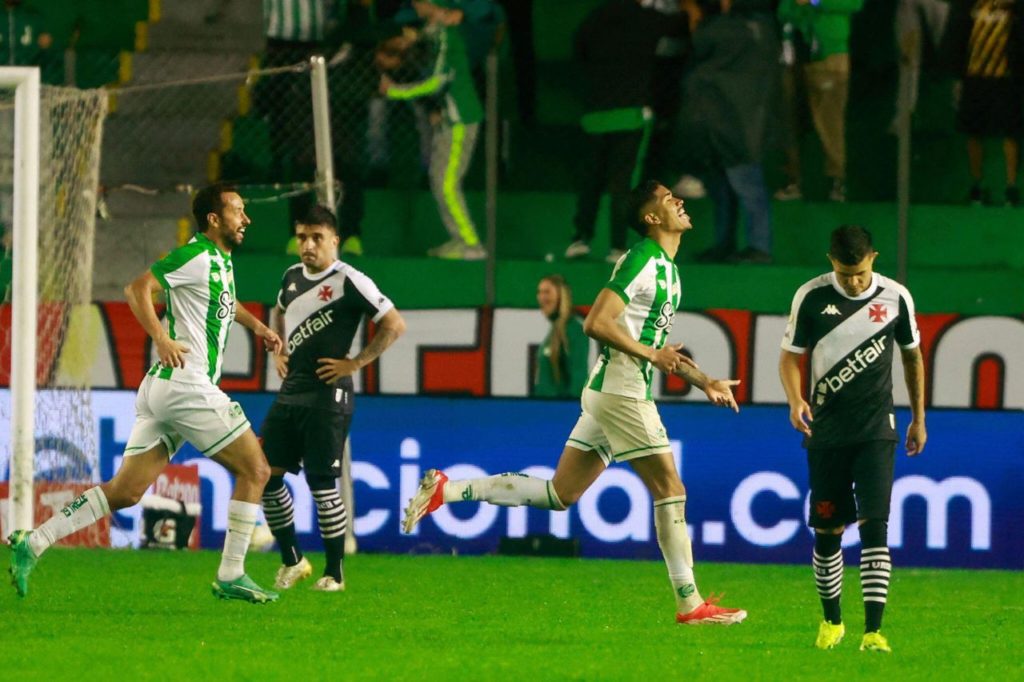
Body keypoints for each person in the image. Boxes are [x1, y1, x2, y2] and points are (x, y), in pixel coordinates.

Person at [403, 180, 747, 625]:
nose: (679, 201)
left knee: (559, 493)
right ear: (651, 218)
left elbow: (653, 348)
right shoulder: (643, 258)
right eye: (668, 199)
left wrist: (703, 380)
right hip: (623, 392)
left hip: (612, 390)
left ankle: (446, 490)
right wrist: (650, 354)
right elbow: (597, 323)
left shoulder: (668, 267)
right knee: (671, 490)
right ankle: (690, 603)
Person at [8, 184, 285, 603]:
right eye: (238, 211)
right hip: (186, 382)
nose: (245, 219)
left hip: (161, 389)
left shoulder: (220, 262)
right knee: (257, 471)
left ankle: (36, 541)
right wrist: (160, 336)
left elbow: (224, 303)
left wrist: (259, 327)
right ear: (214, 219)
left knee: (125, 491)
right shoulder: (193, 256)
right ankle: (231, 573)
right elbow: (137, 289)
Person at [778, 225, 926, 653]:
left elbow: (912, 356)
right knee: (828, 528)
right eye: (845, 274)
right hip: (825, 429)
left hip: (878, 427)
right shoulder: (811, 296)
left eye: (860, 273)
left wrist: (918, 417)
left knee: (875, 524)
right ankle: (832, 621)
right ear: (832, 263)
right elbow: (790, 358)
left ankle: (873, 632)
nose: (854, 282)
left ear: (873, 259)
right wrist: (794, 400)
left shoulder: (896, 297)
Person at [261, 205, 406, 592]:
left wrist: (355, 362)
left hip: (329, 396)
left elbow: (394, 324)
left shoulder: (349, 280)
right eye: (302, 237)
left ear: (334, 241)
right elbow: (280, 312)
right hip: (291, 392)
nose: (307, 245)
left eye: (316, 238)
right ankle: (292, 560)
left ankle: (335, 573)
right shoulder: (291, 277)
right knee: (263, 473)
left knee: (322, 484)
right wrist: (279, 349)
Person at [565, 0, 685, 264]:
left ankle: (580, 238)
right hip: (630, 115)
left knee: (591, 179)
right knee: (623, 183)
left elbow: (578, 50)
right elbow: (680, 29)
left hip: (595, 112)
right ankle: (617, 247)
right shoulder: (648, 19)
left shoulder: (595, 17)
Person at [383, 0, 487, 260]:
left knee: (447, 184)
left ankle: (471, 245)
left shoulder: (446, 36)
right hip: (447, 118)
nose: (414, 4)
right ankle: (459, 238)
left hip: (460, 118)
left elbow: (437, 81)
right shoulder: (435, 31)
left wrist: (395, 91)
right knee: (438, 180)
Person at [682, 0, 777, 264]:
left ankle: (759, 246)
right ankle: (728, 244)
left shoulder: (727, 28)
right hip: (734, 123)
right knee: (726, 189)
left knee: (746, 187)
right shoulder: (763, 27)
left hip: (733, 124)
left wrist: (694, 17)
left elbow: (701, 42)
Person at [776, 0, 864, 203]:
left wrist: (815, 1)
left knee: (830, 121)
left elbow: (854, 3)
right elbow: (783, 10)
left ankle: (836, 182)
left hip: (830, 54)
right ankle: (792, 180)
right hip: (792, 54)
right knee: (789, 119)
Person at [946, 0, 1024, 206]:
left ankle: (1011, 188)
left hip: (1008, 79)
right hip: (975, 78)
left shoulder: (1016, 8)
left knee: (1011, 133)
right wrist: (956, 74)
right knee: (974, 132)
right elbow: (956, 35)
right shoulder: (968, 5)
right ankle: (977, 187)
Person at [532, 274, 590, 399]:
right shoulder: (554, 330)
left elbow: (578, 376)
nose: (542, 297)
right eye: (539, 292)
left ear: (561, 296)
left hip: (558, 411)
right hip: (542, 408)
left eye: (547, 292)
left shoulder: (574, 329)